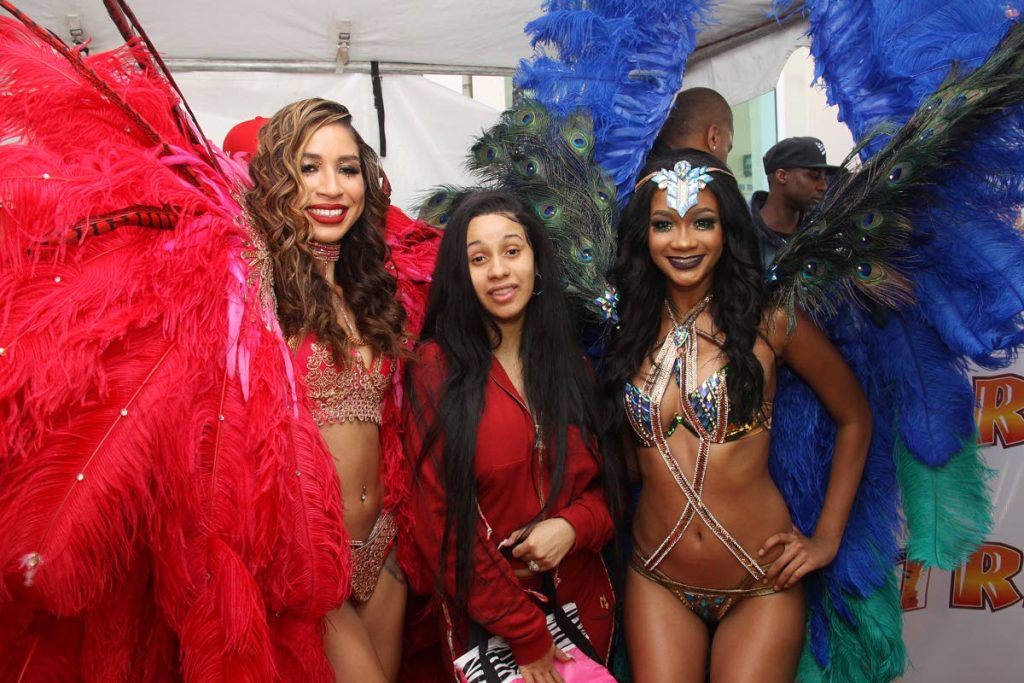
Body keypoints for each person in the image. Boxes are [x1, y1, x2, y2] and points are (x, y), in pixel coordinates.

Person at [607, 149, 869, 682]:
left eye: (703, 223)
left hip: (759, 582)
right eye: (664, 225)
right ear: (644, 235)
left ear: (727, 229)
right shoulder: (624, 327)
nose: (683, 242)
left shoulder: (769, 320)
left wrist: (827, 538)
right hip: (656, 577)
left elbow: (855, 417)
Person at [403, 191, 619, 683]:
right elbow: (439, 526)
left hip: (584, 609)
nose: (498, 270)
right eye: (478, 258)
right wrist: (525, 633)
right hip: (494, 627)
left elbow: (612, 490)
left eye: (512, 251)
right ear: (463, 275)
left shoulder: (575, 368)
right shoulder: (435, 371)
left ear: (537, 261)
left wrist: (573, 526)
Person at [246, 98, 415, 682]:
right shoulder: (255, 291)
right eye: (309, 167)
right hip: (311, 561)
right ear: (278, 180)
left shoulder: (372, 291)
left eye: (347, 168)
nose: (332, 186)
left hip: (386, 552)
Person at [751, 136, 838, 269]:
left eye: (824, 177)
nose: (823, 186)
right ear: (782, 176)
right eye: (814, 176)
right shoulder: (740, 232)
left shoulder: (822, 231)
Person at [649, 87, 734, 165]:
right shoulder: (705, 179)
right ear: (713, 138)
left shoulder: (639, 165)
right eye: (727, 149)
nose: (726, 163)